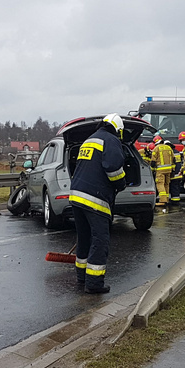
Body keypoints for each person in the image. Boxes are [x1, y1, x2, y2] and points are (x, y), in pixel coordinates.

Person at [69, 113, 127, 294]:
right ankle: (94, 283)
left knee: (84, 237)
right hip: (95, 197)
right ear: (118, 130)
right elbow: (113, 168)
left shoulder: (89, 140)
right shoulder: (110, 140)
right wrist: (121, 184)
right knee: (100, 239)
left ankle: (82, 277)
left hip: (76, 195)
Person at [150, 135, 174, 207]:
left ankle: (162, 200)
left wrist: (152, 169)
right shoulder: (168, 147)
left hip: (160, 170)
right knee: (166, 184)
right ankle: (166, 199)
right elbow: (174, 159)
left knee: (160, 184)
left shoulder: (156, 148)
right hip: (169, 170)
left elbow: (153, 161)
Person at [166, 139, 183, 206]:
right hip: (178, 173)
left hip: (173, 173)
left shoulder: (170, 153)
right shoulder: (176, 152)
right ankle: (175, 200)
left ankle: (174, 202)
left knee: (173, 187)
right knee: (176, 187)